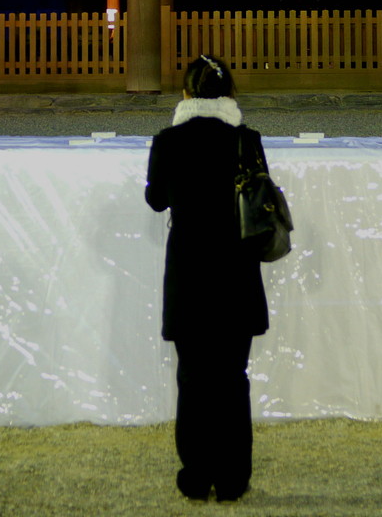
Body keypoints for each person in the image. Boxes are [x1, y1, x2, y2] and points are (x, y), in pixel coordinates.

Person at [145, 54, 272, 502]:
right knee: (233, 378)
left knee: (194, 379)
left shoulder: (168, 141)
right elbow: (261, 200)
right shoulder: (247, 140)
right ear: (230, 93)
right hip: (236, 275)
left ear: (186, 93)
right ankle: (233, 479)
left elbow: (156, 200)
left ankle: (196, 476)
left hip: (191, 276)